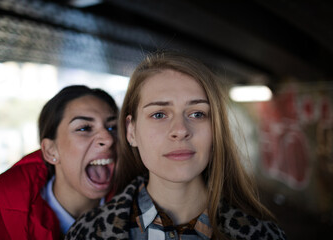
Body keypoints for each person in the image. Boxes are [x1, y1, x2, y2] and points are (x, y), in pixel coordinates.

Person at [65, 52, 287, 240]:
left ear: (216, 129)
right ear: (131, 131)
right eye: (159, 114)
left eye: (197, 113)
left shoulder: (264, 234)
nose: (180, 129)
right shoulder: (86, 233)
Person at [0, 85, 118, 239]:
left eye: (112, 128)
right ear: (50, 151)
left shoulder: (139, 212)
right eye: (84, 128)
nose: (108, 139)